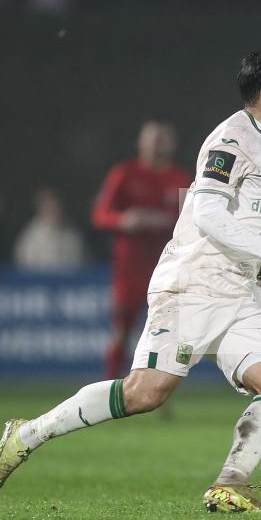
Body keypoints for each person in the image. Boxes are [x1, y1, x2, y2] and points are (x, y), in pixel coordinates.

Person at [0, 47, 261, 514]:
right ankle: (28, 434)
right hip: (193, 286)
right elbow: (210, 213)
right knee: (145, 393)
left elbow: (245, 222)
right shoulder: (232, 140)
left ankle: (230, 484)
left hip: (235, 293)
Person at [92, 120, 191, 379]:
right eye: (152, 139)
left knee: (168, 329)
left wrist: (166, 222)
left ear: (172, 144)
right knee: (122, 329)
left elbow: (193, 223)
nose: (156, 145)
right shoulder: (125, 174)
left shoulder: (181, 179)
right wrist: (123, 220)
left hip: (167, 265)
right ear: (141, 143)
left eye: (162, 140)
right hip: (130, 267)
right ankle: (112, 381)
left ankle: (158, 382)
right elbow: (101, 214)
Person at [15, 188, 86, 271]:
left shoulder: (73, 234)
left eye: (56, 207)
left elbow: (83, 263)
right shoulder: (30, 236)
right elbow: (24, 265)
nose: (54, 211)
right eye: (49, 207)